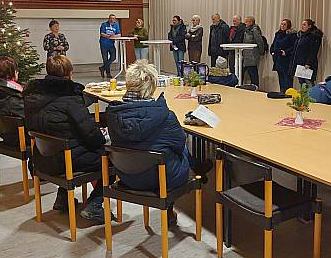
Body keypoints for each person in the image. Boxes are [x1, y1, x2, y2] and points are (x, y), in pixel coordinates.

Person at [105, 61, 210, 226]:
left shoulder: (113, 114)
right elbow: (179, 144)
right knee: (177, 147)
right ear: (152, 86)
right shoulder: (166, 116)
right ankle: (195, 171)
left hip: (127, 176)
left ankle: (195, 169)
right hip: (160, 179)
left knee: (162, 147)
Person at [23, 55, 109, 222]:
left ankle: (63, 199)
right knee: (112, 159)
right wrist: (103, 135)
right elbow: (92, 137)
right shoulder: (71, 99)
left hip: (42, 159)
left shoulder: (32, 96)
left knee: (65, 145)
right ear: (70, 73)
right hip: (67, 161)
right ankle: (95, 204)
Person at [289, 19, 323, 86]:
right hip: (299, 62)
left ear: (309, 26)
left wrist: (308, 63)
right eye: (302, 24)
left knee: (308, 81)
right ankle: (304, 96)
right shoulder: (300, 36)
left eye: (304, 25)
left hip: (307, 64)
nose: (302, 26)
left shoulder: (313, 36)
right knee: (302, 82)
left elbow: (313, 51)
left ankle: (310, 96)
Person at [270, 19, 297, 92]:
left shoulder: (291, 35)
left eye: (284, 24)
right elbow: (274, 44)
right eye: (281, 24)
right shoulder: (278, 33)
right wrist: (272, 51)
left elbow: (293, 46)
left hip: (286, 59)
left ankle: (288, 92)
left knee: (287, 77)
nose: (282, 26)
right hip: (278, 58)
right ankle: (282, 92)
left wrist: (286, 52)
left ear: (288, 26)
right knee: (280, 76)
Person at [242, 16, 265, 87]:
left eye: (246, 21)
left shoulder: (255, 30)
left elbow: (259, 41)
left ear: (251, 22)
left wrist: (261, 51)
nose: (245, 23)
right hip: (247, 54)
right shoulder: (247, 29)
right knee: (247, 71)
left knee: (253, 72)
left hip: (252, 54)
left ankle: (255, 87)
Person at [99, 13, 121, 78]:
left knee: (113, 57)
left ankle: (102, 68)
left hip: (111, 44)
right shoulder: (104, 24)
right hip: (104, 44)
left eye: (113, 18)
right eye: (111, 18)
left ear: (115, 19)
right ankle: (108, 73)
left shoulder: (116, 25)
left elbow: (119, 34)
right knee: (105, 59)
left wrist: (115, 36)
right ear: (109, 19)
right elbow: (102, 34)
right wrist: (108, 36)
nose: (112, 20)